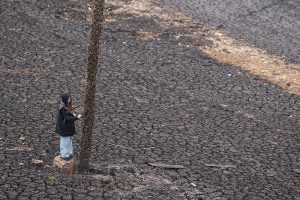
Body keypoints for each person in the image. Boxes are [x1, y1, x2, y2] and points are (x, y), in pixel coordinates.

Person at [55, 93, 81, 160]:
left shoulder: (66, 107)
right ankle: (64, 155)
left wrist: (73, 114)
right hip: (64, 129)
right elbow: (67, 119)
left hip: (67, 129)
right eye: (68, 98)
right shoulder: (63, 109)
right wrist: (76, 117)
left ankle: (69, 153)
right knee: (65, 142)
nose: (69, 100)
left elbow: (68, 115)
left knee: (69, 141)